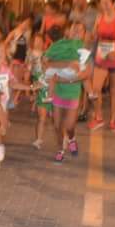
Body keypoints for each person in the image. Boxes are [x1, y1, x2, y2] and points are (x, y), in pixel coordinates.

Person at [45, 23, 92, 162]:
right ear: (68, 32)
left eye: (80, 30)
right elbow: (46, 63)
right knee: (57, 125)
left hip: (72, 93)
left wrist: (68, 79)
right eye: (74, 29)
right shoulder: (59, 47)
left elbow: (86, 73)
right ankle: (60, 148)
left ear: (84, 34)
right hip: (58, 92)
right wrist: (67, 64)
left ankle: (72, 138)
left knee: (70, 126)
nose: (77, 32)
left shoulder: (84, 51)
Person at [87, 0, 115, 132]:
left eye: (107, 2)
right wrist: (90, 37)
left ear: (114, 3)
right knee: (95, 89)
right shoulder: (99, 17)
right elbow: (94, 35)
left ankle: (113, 120)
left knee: (114, 90)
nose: (104, 5)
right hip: (102, 56)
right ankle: (98, 117)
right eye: (102, 2)